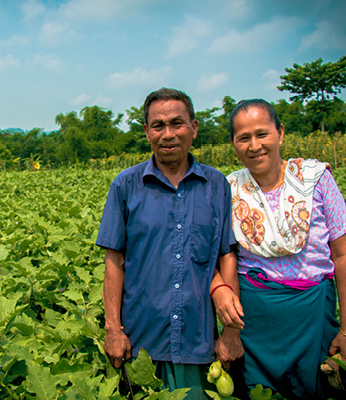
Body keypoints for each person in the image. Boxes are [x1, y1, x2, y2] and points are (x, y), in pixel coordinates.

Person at [96, 88, 243, 398]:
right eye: (158, 125)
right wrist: (113, 329)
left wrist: (230, 333)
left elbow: (225, 256)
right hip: (140, 345)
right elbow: (114, 261)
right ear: (147, 131)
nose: (168, 134)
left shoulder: (216, 186)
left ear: (194, 127)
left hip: (198, 342)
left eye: (177, 123)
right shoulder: (126, 185)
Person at [226, 99, 346, 399]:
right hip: (255, 318)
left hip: (312, 312)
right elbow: (225, 261)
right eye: (243, 138)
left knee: (317, 388)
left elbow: (343, 255)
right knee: (258, 391)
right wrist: (229, 331)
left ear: (280, 133)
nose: (254, 145)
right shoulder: (231, 191)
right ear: (233, 144)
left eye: (262, 134)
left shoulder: (315, 179)